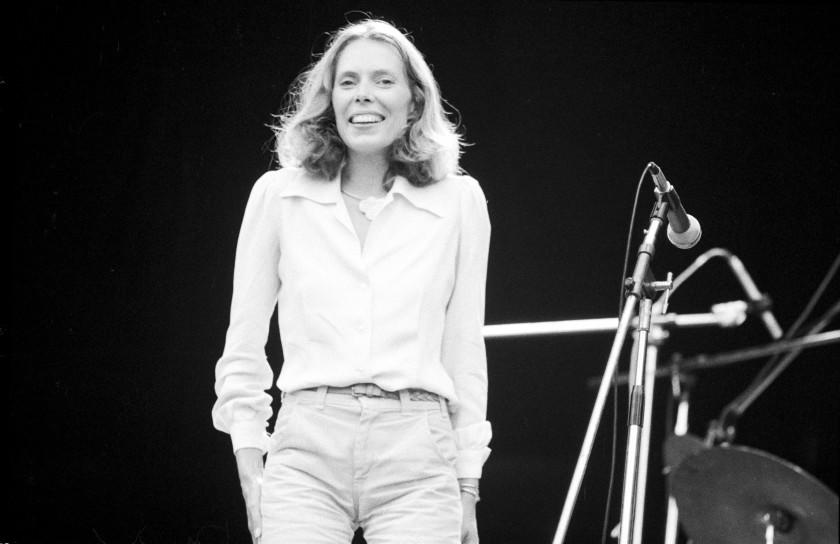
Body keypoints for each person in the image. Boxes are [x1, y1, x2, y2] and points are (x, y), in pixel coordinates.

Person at [212, 18, 491, 544]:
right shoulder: (278, 195)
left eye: (384, 80)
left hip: (417, 449)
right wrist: (252, 467)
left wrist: (467, 484)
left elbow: (464, 351)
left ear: (414, 102)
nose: (364, 95)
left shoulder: (459, 201)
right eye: (348, 81)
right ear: (329, 98)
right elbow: (243, 345)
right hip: (306, 449)